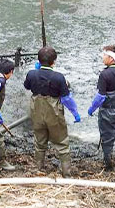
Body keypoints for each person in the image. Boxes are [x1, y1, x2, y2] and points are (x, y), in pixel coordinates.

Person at [24, 46, 80, 176]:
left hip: (37, 111)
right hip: (53, 112)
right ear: (54, 61)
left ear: (38, 61)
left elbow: (27, 86)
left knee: (39, 141)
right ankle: (66, 173)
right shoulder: (59, 77)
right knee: (62, 143)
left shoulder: (31, 74)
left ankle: (38, 168)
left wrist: (36, 72)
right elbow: (66, 99)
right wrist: (75, 113)